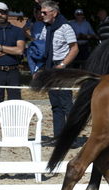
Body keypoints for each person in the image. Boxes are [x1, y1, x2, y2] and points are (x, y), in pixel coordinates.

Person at [39, 1, 78, 140]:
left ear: (54, 13)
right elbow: (41, 48)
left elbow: (74, 48)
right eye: (41, 12)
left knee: (67, 104)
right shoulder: (46, 28)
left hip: (62, 67)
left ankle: (70, 138)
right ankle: (58, 138)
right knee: (55, 104)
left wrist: (62, 64)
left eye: (44, 12)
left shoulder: (65, 27)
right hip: (49, 66)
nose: (41, 14)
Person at [0, 1, 25, 103]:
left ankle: (12, 120)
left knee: (15, 102)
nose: (0, 14)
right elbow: (15, 49)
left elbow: (19, 50)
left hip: (13, 71)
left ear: (7, 13)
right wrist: (11, 50)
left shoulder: (18, 30)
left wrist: (0, 47)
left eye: (2, 12)